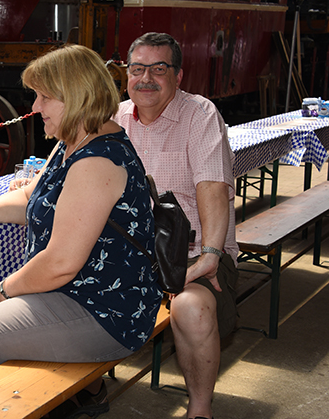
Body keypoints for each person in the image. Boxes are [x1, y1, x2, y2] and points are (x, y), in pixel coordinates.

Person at [0, 44, 163, 419]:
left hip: (106, 311)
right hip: (77, 294)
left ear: (75, 97)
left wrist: (4, 290)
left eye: (44, 97)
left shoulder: (96, 161)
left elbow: (60, 263)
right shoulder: (74, 142)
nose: (35, 107)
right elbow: (32, 196)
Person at [115, 32, 239, 419]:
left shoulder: (200, 115)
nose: (146, 78)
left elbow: (213, 188)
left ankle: (199, 410)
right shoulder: (115, 118)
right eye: (137, 69)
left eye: (158, 69)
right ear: (127, 74)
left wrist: (210, 255)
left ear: (178, 75)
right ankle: (85, 388)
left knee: (191, 308)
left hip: (193, 255)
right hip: (134, 257)